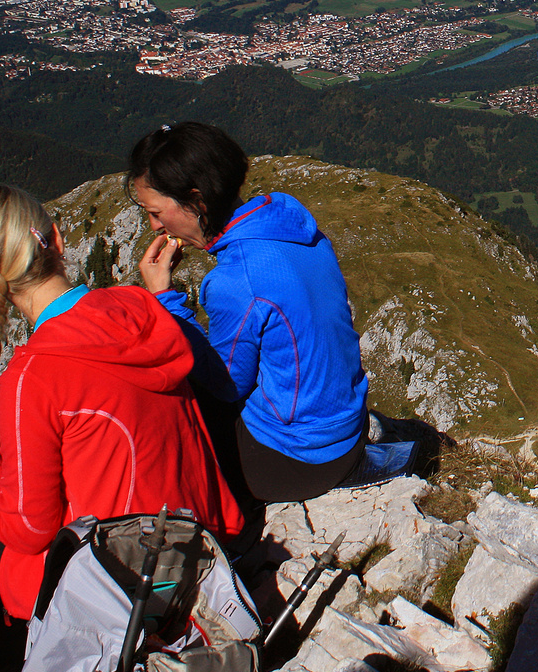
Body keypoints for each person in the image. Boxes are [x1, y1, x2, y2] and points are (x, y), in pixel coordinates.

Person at [0, 185, 243, 672]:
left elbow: (28, 530)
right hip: (193, 557)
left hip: (109, 583)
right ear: (56, 236)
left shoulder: (34, 374)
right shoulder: (142, 309)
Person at [128, 122, 372, 504]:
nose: (154, 225)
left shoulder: (237, 279)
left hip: (300, 459)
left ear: (196, 202)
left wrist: (163, 299)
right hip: (349, 431)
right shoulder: (292, 226)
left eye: (157, 212)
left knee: (160, 406)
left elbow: (226, 386)